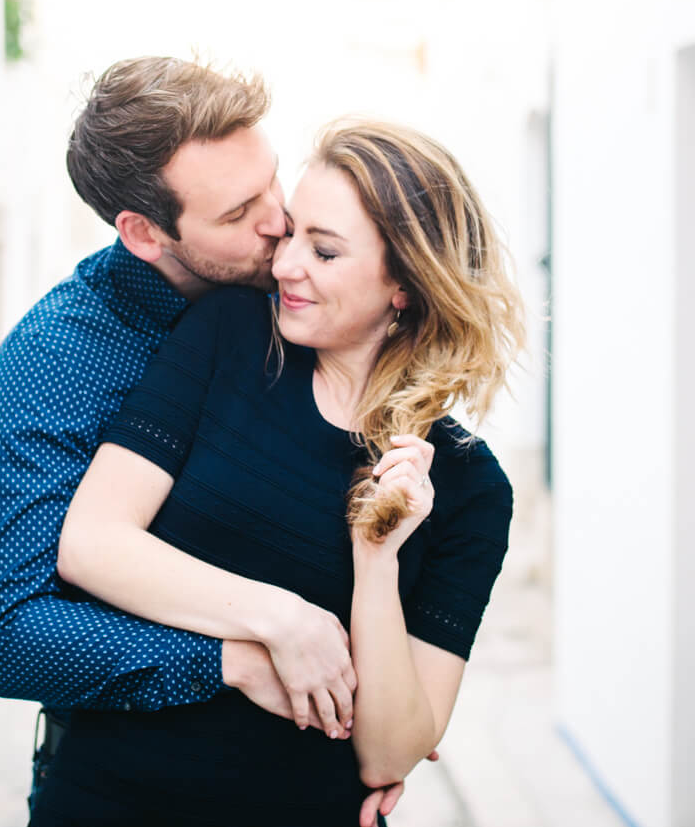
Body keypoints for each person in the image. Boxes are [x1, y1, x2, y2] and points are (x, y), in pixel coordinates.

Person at [37, 119, 526, 825]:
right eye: (293, 232)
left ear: (406, 286)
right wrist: (282, 621)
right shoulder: (229, 335)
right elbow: (92, 543)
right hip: (110, 798)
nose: (286, 263)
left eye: (324, 251)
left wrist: (377, 556)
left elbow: (388, 754)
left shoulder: (471, 489)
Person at [0, 59, 408, 825]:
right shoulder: (56, 359)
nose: (279, 223)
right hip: (117, 791)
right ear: (144, 233)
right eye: (241, 212)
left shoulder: (300, 301)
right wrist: (237, 657)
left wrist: (386, 722)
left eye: (272, 182)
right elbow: (12, 633)